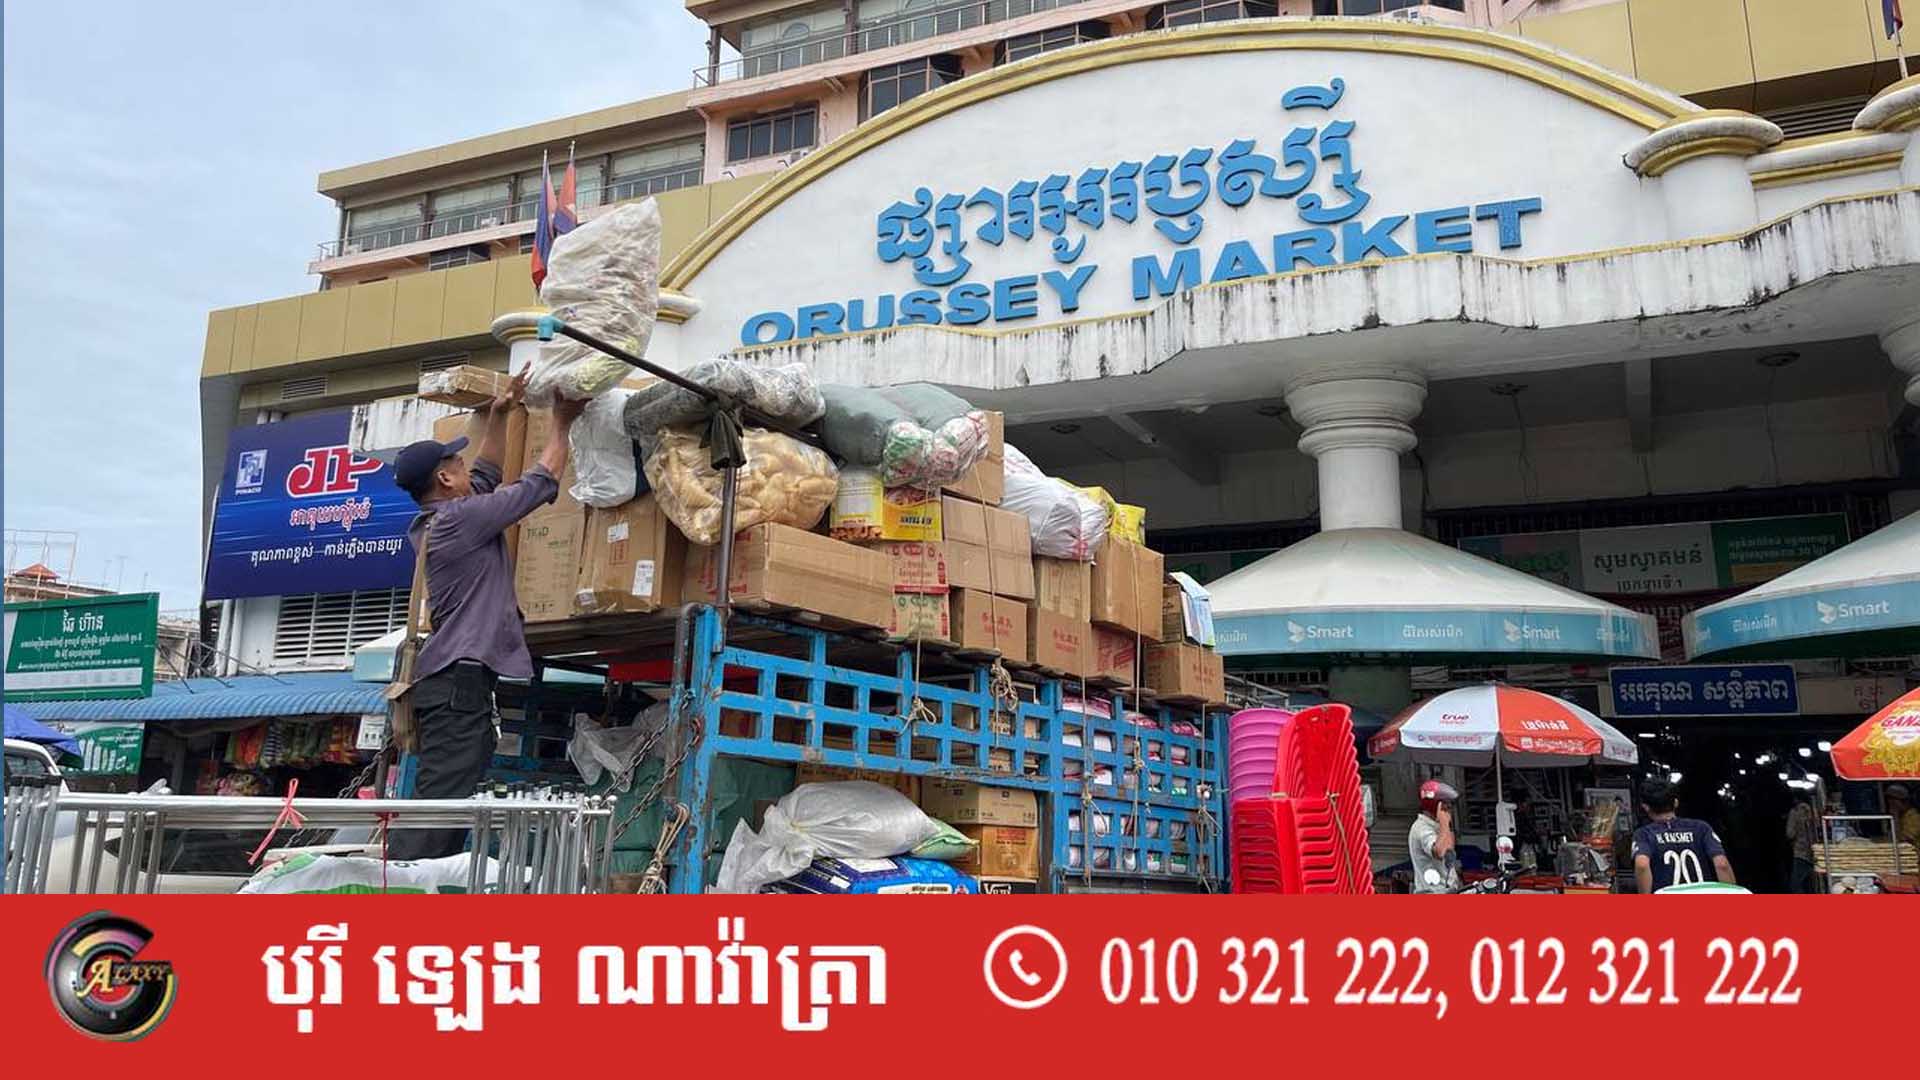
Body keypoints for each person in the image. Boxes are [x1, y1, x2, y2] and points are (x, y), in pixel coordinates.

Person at [387, 371, 585, 860]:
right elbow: (538, 484)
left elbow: (486, 474)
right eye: (456, 461)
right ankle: (404, 888)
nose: (465, 463)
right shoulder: (459, 520)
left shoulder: (436, 521)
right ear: (443, 479)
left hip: (453, 683)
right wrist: (563, 423)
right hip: (457, 686)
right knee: (441, 806)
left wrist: (499, 415)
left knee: (449, 801)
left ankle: (422, 881)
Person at [1631, 779, 1736, 893]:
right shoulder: (1701, 828)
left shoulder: (1644, 834)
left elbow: (1642, 865)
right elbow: (1722, 864)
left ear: (1645, 807)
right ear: (1676, 803)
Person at [1409, 779, 1461, 893]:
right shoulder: (1421, 828)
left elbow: (1449, 851)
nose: (1449, 808)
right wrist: (1444, 822)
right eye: (1446, 805)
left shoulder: (1437, 826)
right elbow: (1440, 852)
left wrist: (1446, 825)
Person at [1785, 790, 1818, 893]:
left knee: (1795, 884)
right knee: (1812, 884)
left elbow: (1790, 833)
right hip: (1816, 851)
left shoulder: (1794, 812)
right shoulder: (1814, 810)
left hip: (1801, 852)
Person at [1888, 784, 1920, 865]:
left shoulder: (1913, 817)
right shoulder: (1903, 816)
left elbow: (1903, 840)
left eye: (1893, 802)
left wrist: (1895, 816)